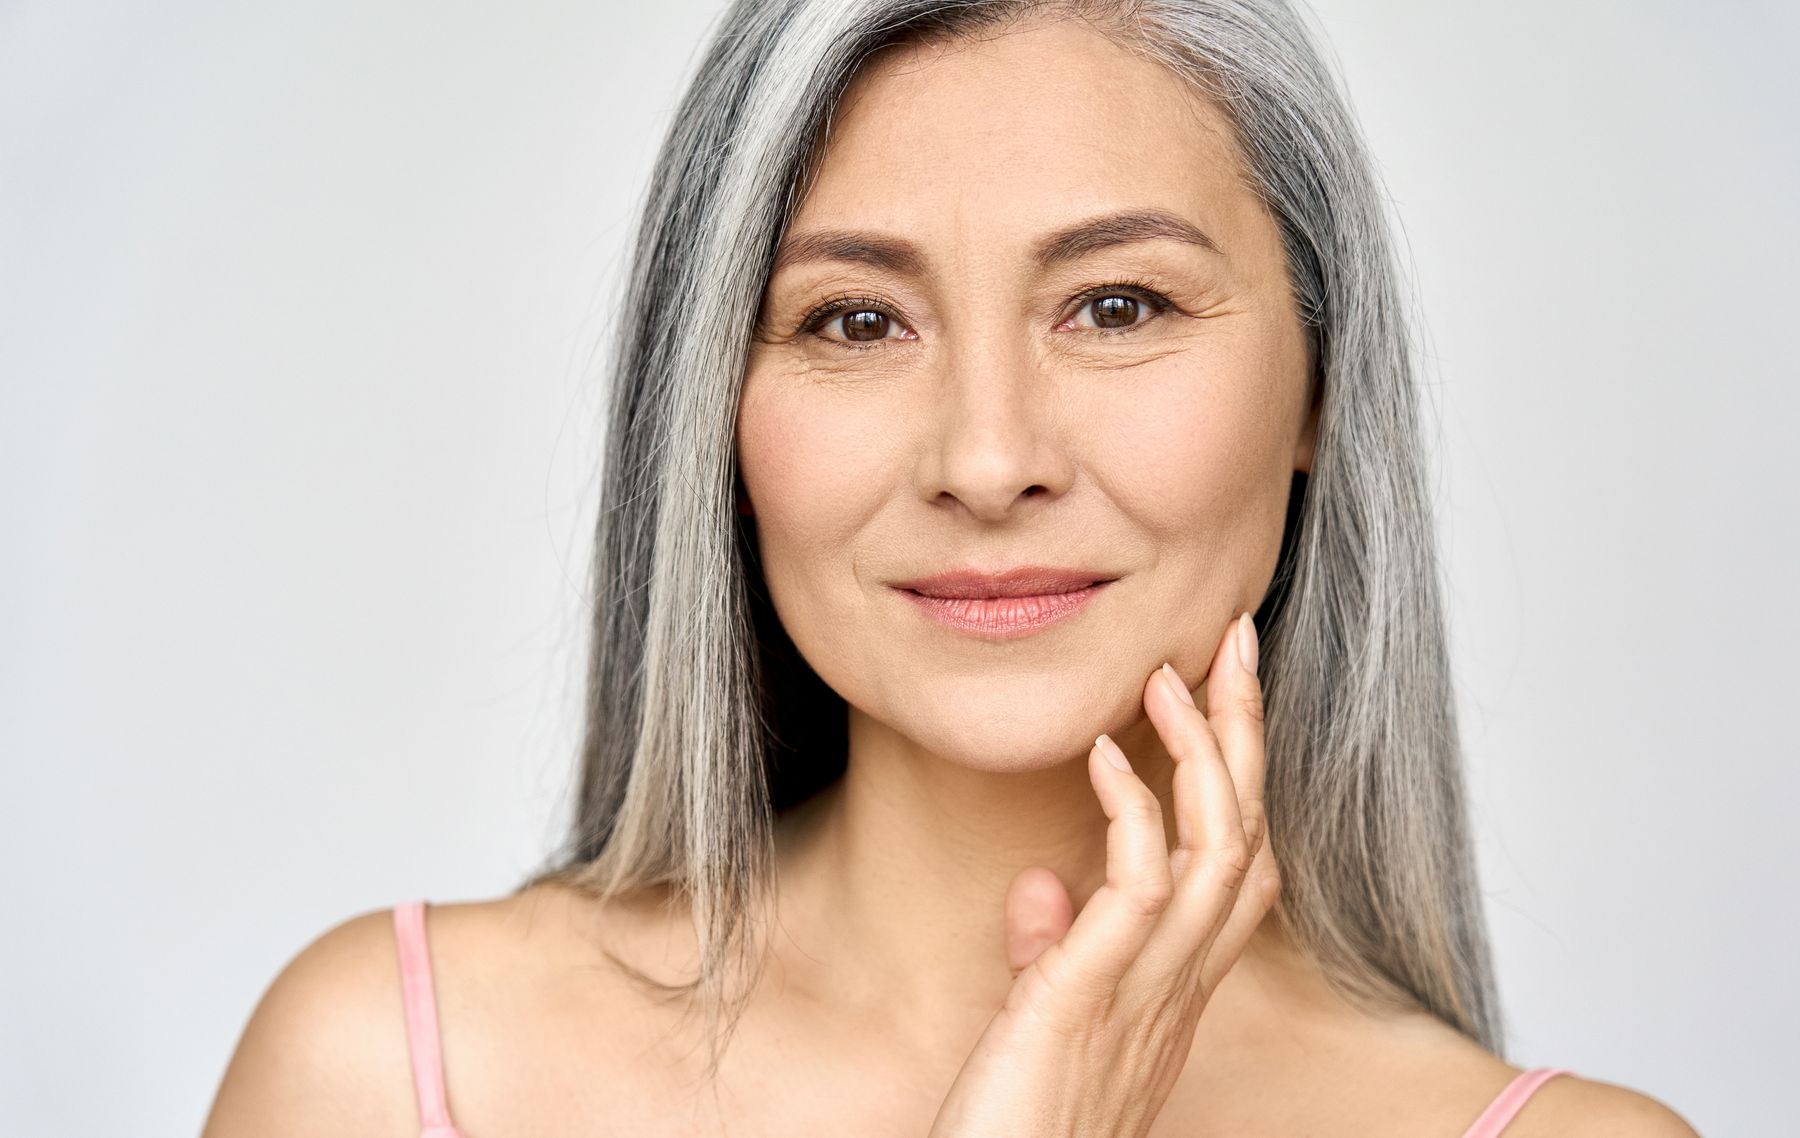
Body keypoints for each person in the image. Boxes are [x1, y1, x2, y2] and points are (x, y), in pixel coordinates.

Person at [204, 1, 1701, 1134]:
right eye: (856, 321)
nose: (989, 460)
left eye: (1117, 303)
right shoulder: (385, 1071)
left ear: (1320, 382)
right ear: (712, 409)